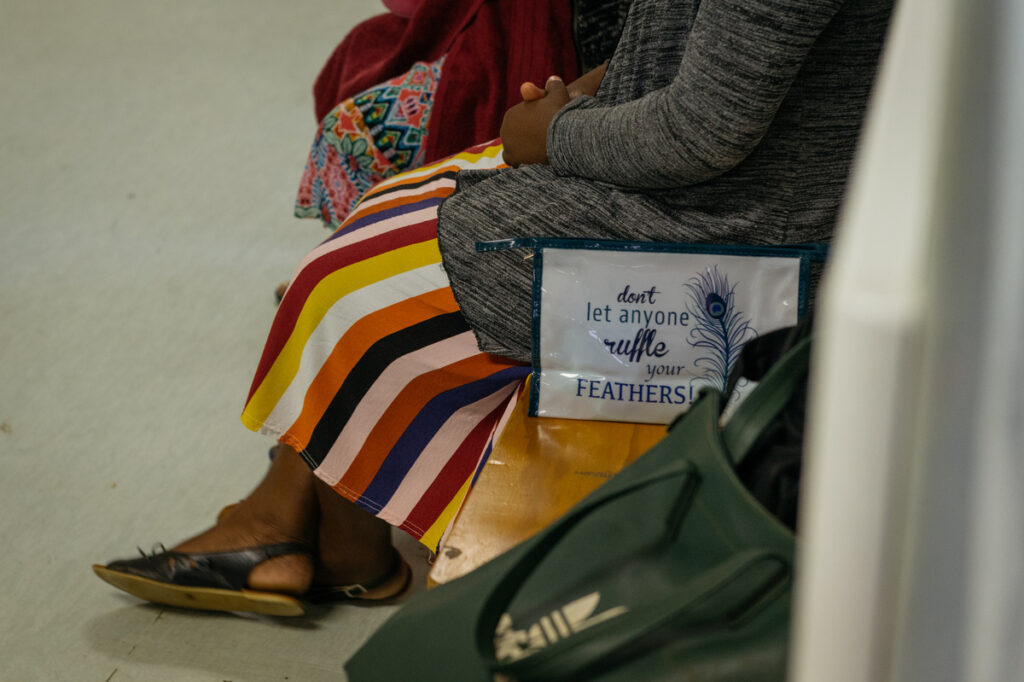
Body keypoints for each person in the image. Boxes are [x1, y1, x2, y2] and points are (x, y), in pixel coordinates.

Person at [93, 0, 894, 616]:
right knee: (379, 216)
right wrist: (584, 97)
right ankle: (296, 525)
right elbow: (697, 59)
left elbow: (705, 133)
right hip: (722, 197)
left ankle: (338, 549)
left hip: (739, 244)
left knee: (349, 283)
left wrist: (558, 135)